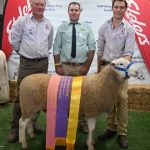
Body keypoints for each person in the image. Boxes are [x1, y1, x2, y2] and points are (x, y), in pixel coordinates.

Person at [7, 0, 53, 143]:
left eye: (42, 4)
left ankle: (33, 124)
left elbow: (49, 43)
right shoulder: (22, 21)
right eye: (37, 4)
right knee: (22, 95)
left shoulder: (48, 24)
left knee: (39, 95)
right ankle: (15, 128)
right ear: (31, 5)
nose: (40, 7)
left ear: (45, 6)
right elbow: (14, 40)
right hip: (27, 64)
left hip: (43, 64)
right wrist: (24, 53)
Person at [97, 0, 135, 149]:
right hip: (106, 70)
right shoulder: (103, 27)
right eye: (116, 7)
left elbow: (129, 54)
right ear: (112, 8)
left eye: (121, 7)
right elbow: (100, 51)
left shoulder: (129, 29)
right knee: (109, 100)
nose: (118, 10)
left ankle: (122, 133)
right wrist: (99, 70)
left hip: (121, 71)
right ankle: (111, 128)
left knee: (122, 99)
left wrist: (118, 66)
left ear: (125, 9)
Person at [53, 2, 96, 133]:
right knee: (64, 95)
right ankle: (63, 121)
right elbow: (56, 48)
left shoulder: (87, 28)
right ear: (68, 11)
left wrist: (87, 67)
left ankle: (82, 122)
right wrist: (57, 65)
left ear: (80, 12)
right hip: (65, 68)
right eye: (71, 10)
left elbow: (92, 48)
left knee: (82, 96)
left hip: (80, 68)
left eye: (76, 10)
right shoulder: (61, 27)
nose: (74, 12)